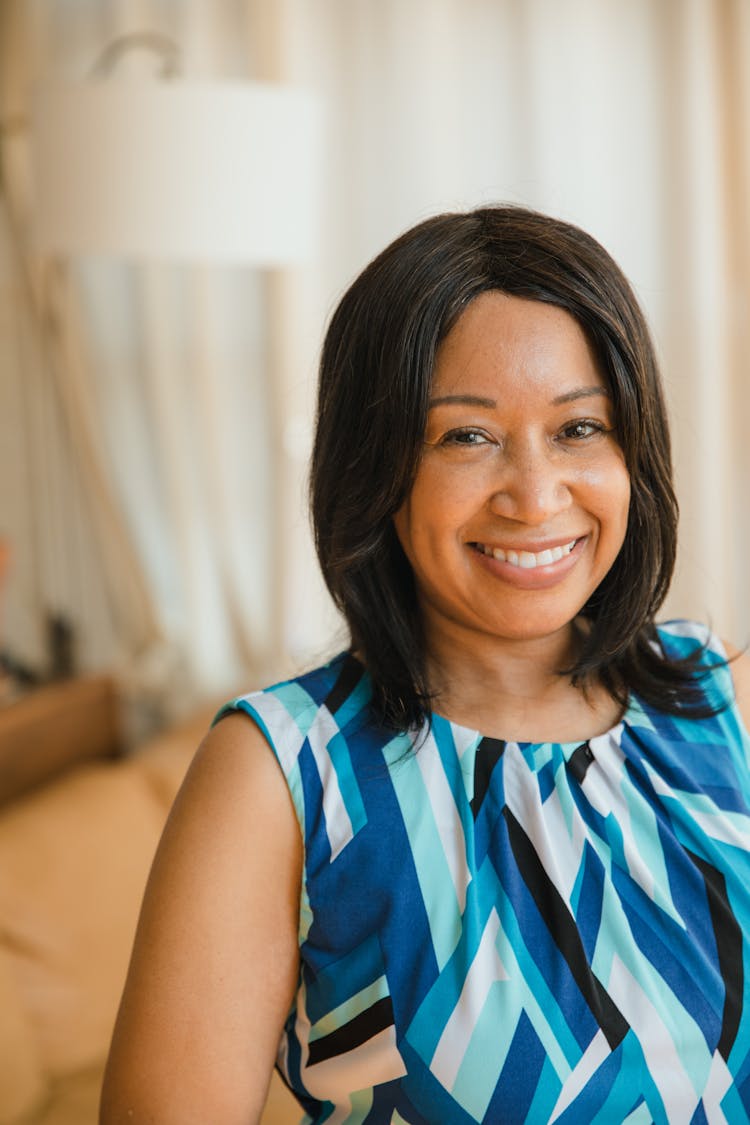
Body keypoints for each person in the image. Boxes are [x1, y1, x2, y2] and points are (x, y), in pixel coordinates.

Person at [100, 206, 750, 1124]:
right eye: (467, 437)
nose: (535, 495)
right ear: (377, 469)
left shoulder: (725, 697)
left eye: (579, 428)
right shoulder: (284, 770)